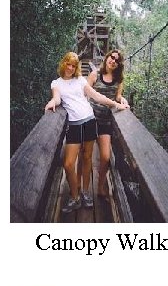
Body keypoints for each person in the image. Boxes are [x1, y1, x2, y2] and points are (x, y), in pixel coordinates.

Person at [45, 52, 129, 213]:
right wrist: (52, 102)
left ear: (76, 67)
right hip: (74, 125)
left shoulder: (80, 80)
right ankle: (75, 197)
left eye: (73, 65)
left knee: (87, 157)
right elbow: (56, 98)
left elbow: (96, 96)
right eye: (68, 64)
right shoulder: (56, 83)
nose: (70, 68)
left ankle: (84, 193)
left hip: (89, 120)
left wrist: (116, 105)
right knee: (68, 163)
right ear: (63, 64)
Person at [84, 49, 128, 199]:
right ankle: (83, 189)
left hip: (105, 122)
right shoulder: (94, 74)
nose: (113, 61)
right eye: (111, 57)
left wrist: (122, 100)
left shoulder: (119, 80)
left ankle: (101, 185)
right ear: (107, 57)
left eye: (117, 60)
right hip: (89, 119)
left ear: (119, 65)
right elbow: (83, 93)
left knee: (105, 157)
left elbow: (118, 96)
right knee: (86, 156)